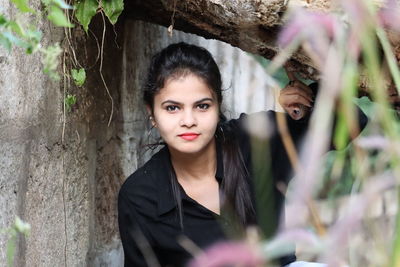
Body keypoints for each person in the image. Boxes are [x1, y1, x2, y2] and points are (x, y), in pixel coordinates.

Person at [118, 42, 367, 267]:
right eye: (172, 108)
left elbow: (352, 123)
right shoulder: (140, 195)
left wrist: (309, 101)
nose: (188, 121)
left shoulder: (254, 141)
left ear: (218, 107)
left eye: (202, 106)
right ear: (152, 114)